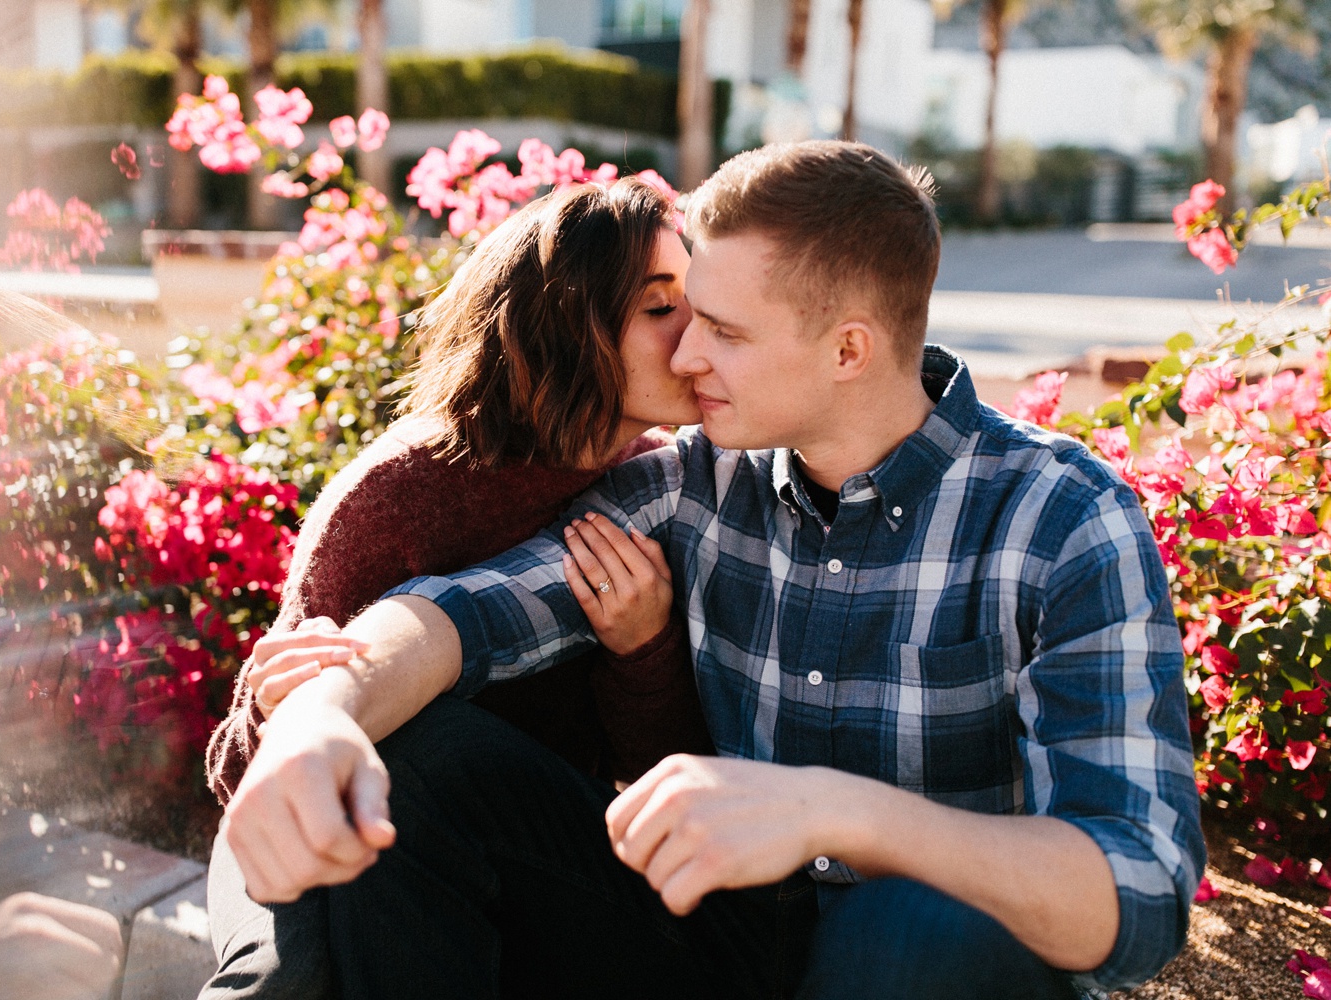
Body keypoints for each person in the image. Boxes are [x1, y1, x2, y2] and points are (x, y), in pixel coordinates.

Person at [221, 141, 1207, 999]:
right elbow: (458, 616)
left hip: (927, 956)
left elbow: (1139, 890)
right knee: (423, 758)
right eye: (685, 315)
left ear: (849, 350)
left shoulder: (1061, 518)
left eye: (724, 332)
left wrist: (837, 813)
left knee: (908, 924)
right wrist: (319, 719)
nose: (687, 355)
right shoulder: (691, 478)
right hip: (718, 933)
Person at [199, 177, 715, 996]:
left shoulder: (659, 486)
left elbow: (657, 778)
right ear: (565, 322)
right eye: (660, 307)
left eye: (698, 300)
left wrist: (643, 652)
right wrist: (278, 704)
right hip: (323, 826)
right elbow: (253, 775)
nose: (697, 334)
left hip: (502, 856)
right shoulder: (403, 494)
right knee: (285, 980)